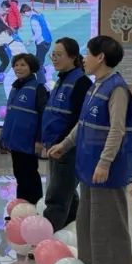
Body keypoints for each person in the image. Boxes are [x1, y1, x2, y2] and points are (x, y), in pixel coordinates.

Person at [48, 35, 132, 264]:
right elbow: (83, 124)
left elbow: (117, 130)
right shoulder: (95, 86)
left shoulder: (117, 89)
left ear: (101, 57)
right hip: (87, 166)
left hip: (106, 171)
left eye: (87, 53)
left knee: (110, 223)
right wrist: (65, 144)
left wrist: (105, 162)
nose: (84, 59)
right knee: (87, 222)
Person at [40, 38, 91, 230]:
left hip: (67, 148)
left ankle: (47, 239)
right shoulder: (61, 80)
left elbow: (79, 119)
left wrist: (63, 143)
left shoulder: (81, 82)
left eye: (59, 55)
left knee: (57, 197)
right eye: (52, 55)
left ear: (72, 57)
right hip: (55, 146)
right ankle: (69, 232)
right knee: (67, 192)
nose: (54, 58)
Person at [0, 53, 49, 205]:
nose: (18, 68)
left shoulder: (38, 88)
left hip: (29, 143)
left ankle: (34, 208)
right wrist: (4, 137)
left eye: (23, 65)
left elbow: (44, 116)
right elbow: (10, 116)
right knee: (20, 176)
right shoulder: (15, 88)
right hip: (15, 142)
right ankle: (22, 208)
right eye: (16, 65)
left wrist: (39, 140)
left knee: (30, 176)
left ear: (31, 67)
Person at [23, 3, 53, 74]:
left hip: (42, 42)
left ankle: (41, 76)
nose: (24, 16)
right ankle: (43, 71)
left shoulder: (33, 20)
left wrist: (29, 41)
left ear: (26, 12)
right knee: (39, 59)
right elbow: (49, 27)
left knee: (38, 62)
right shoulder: (40, 15)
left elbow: (38, 33)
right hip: (48, 40)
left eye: (23, 14)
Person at [0, 1, 15, 82]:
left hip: (2, 42)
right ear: (3, 7)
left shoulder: (2, 15)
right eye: (6, 10)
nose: (7, 12)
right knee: (5, 60)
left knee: (6, 59)